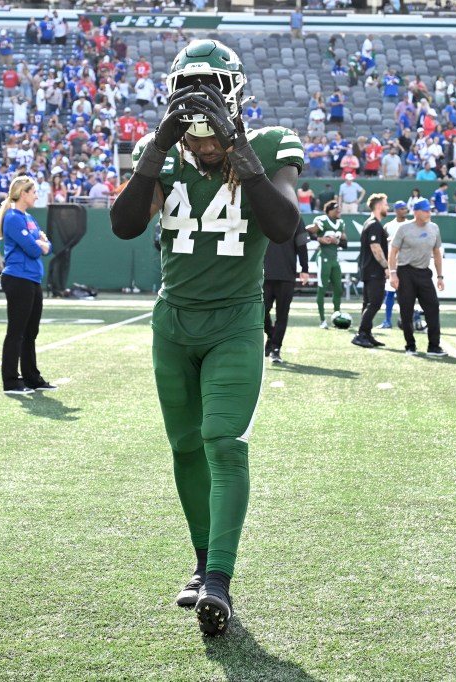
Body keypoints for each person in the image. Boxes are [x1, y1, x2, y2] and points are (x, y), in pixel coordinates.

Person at [109, 40, 302, 637]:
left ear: (235, 92)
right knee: (186, 447)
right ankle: (200, 562)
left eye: (213, 89)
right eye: (192, 90)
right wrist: (161, 147)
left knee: (224, 442)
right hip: (173, 324)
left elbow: (284, 225)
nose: (201, 108)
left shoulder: (268, 145)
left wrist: (239, 147)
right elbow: (121, 226)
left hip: (234, 323)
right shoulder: (158, 151)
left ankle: (219, 577)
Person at [0, 175, 54, 395]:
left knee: (31, 332)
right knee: (16, 331)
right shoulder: (13, 218)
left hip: (32, 278)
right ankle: (11, 381)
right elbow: (33, 248)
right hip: (18, 278)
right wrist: (39, 243)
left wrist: (40, 243)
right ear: (23, 194)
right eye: (34, 192)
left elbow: (46, 245)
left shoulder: (28, 218)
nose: (37, 196)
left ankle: (32, 379)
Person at [388, 199, 446, 356]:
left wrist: (440, 276)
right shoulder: (404, 228)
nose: (429, 213)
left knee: (433, 307)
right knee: (406, 310)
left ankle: (434, 346)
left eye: (430, 210)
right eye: (426, 210)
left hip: (424, 272)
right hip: (405, 272)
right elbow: (393, 251)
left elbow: (436, 252)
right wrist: (393, 273)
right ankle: (410, 345)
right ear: (416, 212)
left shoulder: (434, 228)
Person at [264, 218, 310, 363]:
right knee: (260, 311)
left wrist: (305, 268)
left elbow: (302, 244)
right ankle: (272, 335)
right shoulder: (262, 212)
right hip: (263, 273)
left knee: (282, 314)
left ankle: (276, 348)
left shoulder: (295, 217)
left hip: (286, 274)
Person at [351, 194, 391, 348]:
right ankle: (361, 334)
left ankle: (366, 334)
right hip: (373, 271)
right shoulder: (374, 224)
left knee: (368, 303)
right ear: (379, 206)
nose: (388, 208)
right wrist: (386, 266)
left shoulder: (370, 223)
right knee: (374, 302)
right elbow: (375, 248)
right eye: (386, 205)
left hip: (368, 270)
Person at [309, 200, 347, 328]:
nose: (339, 211)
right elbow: (307, 231)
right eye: (336, 209)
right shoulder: (322, 220)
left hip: (334, 259)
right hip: (323, 258)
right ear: (329, 210)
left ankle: (337, 316)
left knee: (338, 288)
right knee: (322, 288)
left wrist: (336, 241)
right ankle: (322, 320)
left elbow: (344, 244)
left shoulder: (340, 223)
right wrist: (319, 239)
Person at [380, 200, 411, 330]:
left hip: (407, 262)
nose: (405, 211)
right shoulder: (388, 225)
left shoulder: (410, 224)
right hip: (393, 263)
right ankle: (387, 320)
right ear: (397, 210)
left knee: (409, 294)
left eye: (406, 209)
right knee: (390, 292)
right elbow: (382, 243)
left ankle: (409, 320)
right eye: (403, 209)